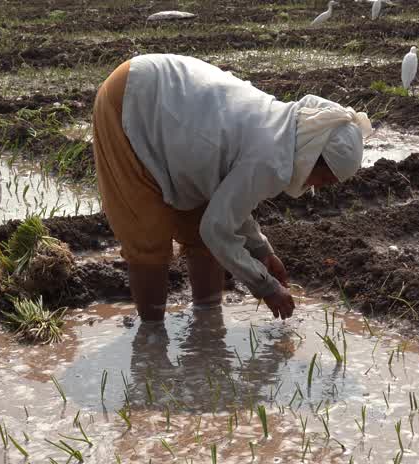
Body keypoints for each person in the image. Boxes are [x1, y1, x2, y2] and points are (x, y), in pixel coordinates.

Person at [92, 54, 371, 323]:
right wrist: (265, 286)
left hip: (175, 110)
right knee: (149, 238)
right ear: (314, 155)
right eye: (325, 179)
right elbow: (218, 229)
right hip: (134, 97)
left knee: (202, 234)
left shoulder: (283, 133)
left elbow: (231, 205)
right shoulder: (272, 157)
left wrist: (261, 251)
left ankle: (207, 322)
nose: (318, 187)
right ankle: (151, 344)